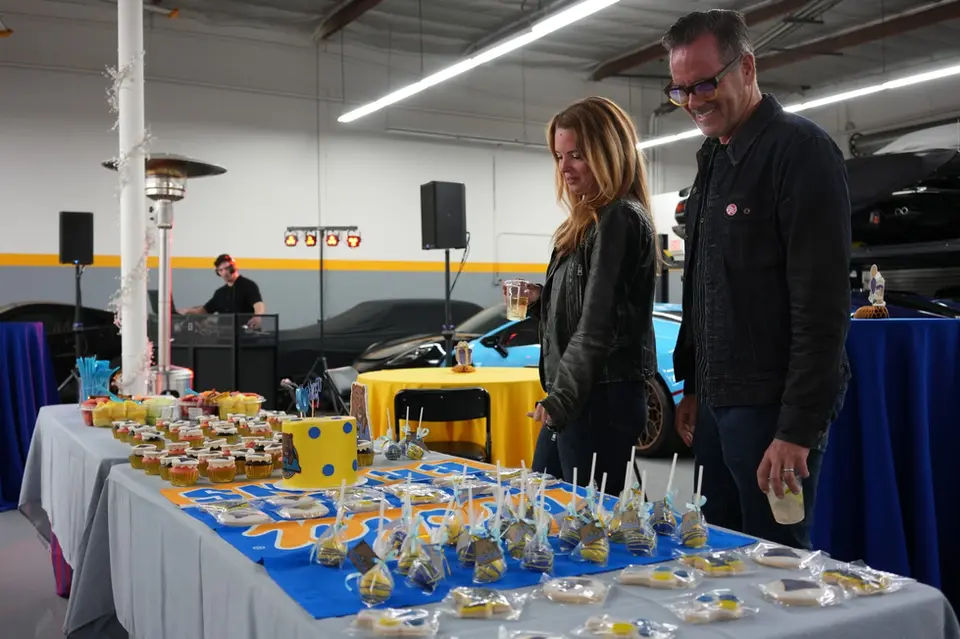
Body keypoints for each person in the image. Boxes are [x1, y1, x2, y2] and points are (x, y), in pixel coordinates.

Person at [664, 10, 851, 549]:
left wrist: (796, 431)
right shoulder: (713, 159)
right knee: (717, 554)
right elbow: (703, 287)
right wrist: (693, 386)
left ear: (746, 67)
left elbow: (821, 306)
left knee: (778, 565)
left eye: (704, 84)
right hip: (716, 407)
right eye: (680, 91)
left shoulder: (801, 152)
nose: (693, 101)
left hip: (772, 411)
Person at [520, 96, 660, 497]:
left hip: (601, 398)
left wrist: (561, 400)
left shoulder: (619, 218)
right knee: (546, 503)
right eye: (559, 156)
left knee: (584, 520)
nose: (564, 167)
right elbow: (586, 308)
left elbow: (599, 324)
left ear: (607, 153)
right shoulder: (587, 220)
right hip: (581, 395)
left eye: (577, 155)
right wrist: (543, 300)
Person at [180, 254, 266, 328]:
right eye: (220, 270)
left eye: (227, 268)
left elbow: (258, 304)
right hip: (225, 337)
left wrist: (257, 317)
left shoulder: (248, 285)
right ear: (218, 273)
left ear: (233, 268)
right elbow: (204, 310)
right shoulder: (220, 293)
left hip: (244, 336)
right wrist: (187, 311)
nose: (224, 273)